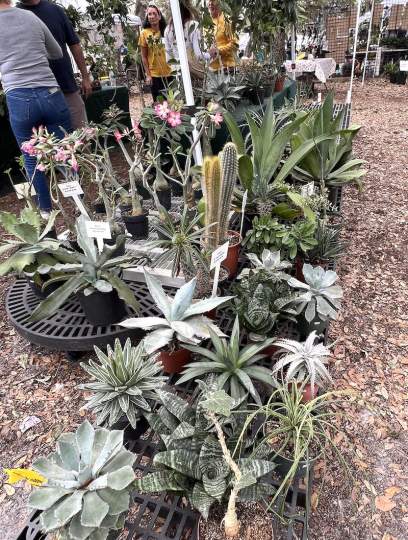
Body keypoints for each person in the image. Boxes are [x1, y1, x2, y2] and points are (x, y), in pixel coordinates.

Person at [0, 0, 71, 213]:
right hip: (50, 91)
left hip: (18, 96)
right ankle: (80, 208)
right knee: (64, 152)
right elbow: (57, 52)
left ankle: (46, 214)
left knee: (31, 160)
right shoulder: (30, 17)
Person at [18, 0, 91, 130]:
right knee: (48, 139)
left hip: (66, 86)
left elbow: (74, 44)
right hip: (35, 92)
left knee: (82, 132)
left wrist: (85, 77)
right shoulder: (15, 15)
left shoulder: (55, 10)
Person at [164, 2, 210, 79]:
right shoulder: (193, 25)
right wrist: (209, 54)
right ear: (188, 9)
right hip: (193, 73)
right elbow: (198, 55)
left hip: (178, 74)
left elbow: (168, 59)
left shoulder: (167, 30)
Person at [139, 3, 173, 101]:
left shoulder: (167, 31)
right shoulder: (144, 33)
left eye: (154, 13)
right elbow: (144, 56)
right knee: (159, 104)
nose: (152, 16)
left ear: (159, 16)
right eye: (149, 14)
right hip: (155, 75)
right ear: (147, 17)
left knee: (172, 102)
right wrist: (148, 75)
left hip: (170, 73)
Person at [206, 0, 238, 72]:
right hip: (213, 70)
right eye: (209, 1)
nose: (210, 4)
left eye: (213, 1)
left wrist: (218, 51)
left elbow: (234, 44)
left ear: (220, 3)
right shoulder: (207, 23)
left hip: (228, 69)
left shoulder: (227, 21)